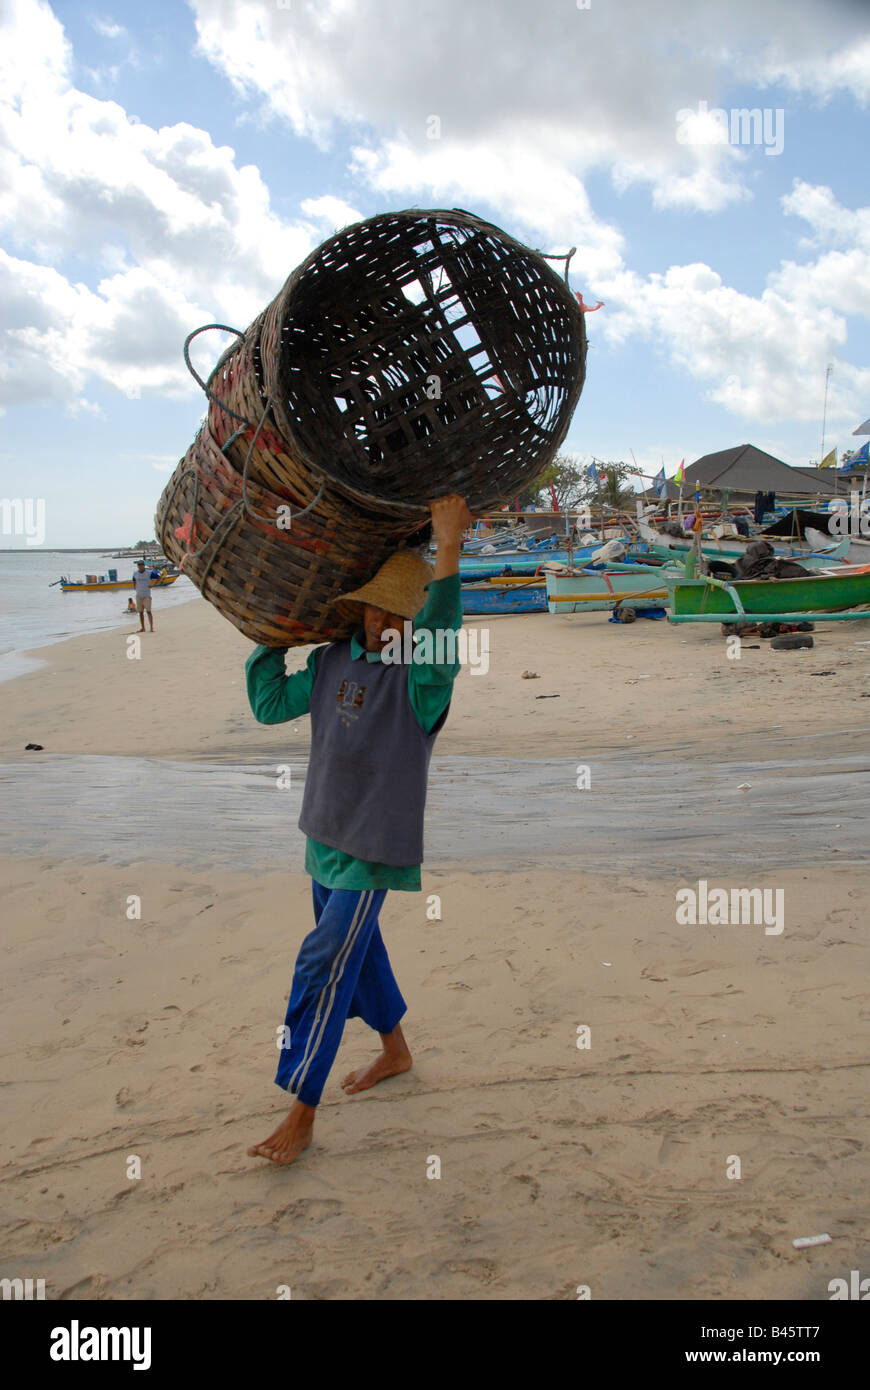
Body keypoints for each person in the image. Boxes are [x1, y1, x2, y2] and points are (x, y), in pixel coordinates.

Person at [244, 493, 471, 1166]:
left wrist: (448, 547)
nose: (381, 622)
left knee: (323, 961)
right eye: (374, 607)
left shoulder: (422, 681)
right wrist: (269, 633)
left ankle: (303, 1107)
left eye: (397, 613)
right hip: (322, 835)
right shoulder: (330, 663)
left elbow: (443, 632)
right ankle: (395, 1050)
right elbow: (266, 705)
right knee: (358, 954)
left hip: (372, 849)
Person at [132, 560, 155, 632]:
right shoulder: (135, 573)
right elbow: (134, 580)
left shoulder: (149, 573)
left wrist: (153, 585)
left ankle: (151, 627)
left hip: (147, 595)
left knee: (148, 611)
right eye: (139, 565)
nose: (140, 566)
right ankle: (143, 628)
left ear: (144, 565)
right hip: (139, 594)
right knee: (140, 612)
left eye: (141, 565)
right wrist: (134, 587)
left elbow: (159, 576)